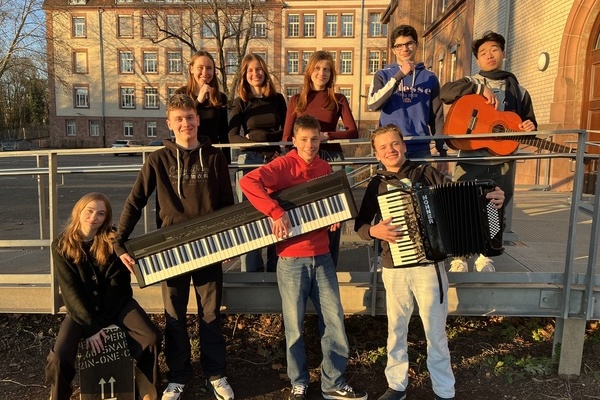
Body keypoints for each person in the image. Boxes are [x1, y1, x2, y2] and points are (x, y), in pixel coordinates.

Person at [354, 125, 505, 400]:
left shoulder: (426, 174)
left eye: (394, 144)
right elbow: (361, 225)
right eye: (383, 147)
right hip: (393, 267)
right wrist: (374, 231)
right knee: (396, 330)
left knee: (435, 331)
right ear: (376, 154)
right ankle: (397, 386)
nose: (390, 150)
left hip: (428, 266)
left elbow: (467, 198)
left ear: (404, 145)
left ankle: (444, 391)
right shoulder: (376, 184)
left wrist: (493, 199)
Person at [113, 94, 235, 400]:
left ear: (198, 119)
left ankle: (215, 373)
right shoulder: (158, 160)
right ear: (169, 123)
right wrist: (119, 242)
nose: (186, 124)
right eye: (179, 119)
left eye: (190, 117)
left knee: (210, 313)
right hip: (170, 249)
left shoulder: (215, 157)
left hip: (209, 246)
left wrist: (230, 240)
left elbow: (226, 204)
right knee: (174, 316)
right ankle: (178, 376)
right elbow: (135, 201)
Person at [240, 115, 367, 400]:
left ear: (321, 139)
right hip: (291, 260)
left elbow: (329, 203)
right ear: (294, 141)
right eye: (304, 139)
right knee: (294, 327)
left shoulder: (324, 167)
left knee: (334, 321)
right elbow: (249, 182)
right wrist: (275, 211)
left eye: (315, 139)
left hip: (322, 256)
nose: (310, 145)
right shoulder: (283, 165)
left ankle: (333, 382)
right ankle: (298, 381)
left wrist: (334, 217)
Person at [45, 192, 161, 400]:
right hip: (82, 311)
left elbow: (119, 286)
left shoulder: (113, 241)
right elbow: (70, 290)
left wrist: (102, 322)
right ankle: (59, 393)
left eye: (100, 213)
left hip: (116, 305)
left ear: (106, 217)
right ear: (78, 212)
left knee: (151, 336)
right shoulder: (61, 245)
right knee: (59, 356)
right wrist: (92, 327)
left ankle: (145, 380)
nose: (94, 217)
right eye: (89, 211)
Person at [440, 30, 537, 272]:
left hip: (503, 162)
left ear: (503, 53)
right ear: (477, 59)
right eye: (483, 52)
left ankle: (486, 254)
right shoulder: (469, 82)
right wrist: (475, 89)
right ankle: (460, 255)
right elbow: (445, 93)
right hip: (470, 158)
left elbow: (529, 125)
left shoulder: (519, 91)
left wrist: (529, 127)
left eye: (494, 49)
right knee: (463, 206)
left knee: (495, 207)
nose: (489, 55)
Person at [282, 50, 358, 267]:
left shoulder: (338, 99)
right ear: (309, 71)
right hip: (304, 160)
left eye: (326, 69)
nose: (321, 73)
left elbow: (353, 131)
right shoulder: (297, 100)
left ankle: (329, 265)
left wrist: (328, 135)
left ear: (331, 74)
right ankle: (303, 262)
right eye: (317, 68)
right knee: (305, 211)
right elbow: (286, 137)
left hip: (331, 158)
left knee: (333, 214)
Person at [228, 53, 287, 273]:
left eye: (259, 69)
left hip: (274, 161)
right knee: (251, 220)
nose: (255, 73)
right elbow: (232, 137)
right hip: (250, 161)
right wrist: (259, 143)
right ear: (244, 74)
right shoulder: (241, 102)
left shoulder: (277, 99)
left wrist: (261, 137)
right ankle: (251, 274)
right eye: (250, 70)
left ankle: (275, 271)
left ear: (265, 71)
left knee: (276, 213)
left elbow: (287, 131)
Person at [367, 25, 447, 162]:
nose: (405, 49)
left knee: (423, 177)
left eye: (409, 43)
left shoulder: (430, 77)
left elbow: (436, 117)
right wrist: (399, 76)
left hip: (420, 147)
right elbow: (373, 104)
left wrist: (442, 148)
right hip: (391, 148)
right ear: (393, 49)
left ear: (416, 45)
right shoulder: (382, 75)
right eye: (399, 46)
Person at [175, 50, 230, 163]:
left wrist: (226, 161)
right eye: (200, 68)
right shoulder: (180, 94)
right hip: (187, 154)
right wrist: (198, 100)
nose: (205, 72)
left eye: (209, 68)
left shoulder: (220, 97)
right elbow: (181, 120)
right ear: (191, 69)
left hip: (211, 156)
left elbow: (223, 132)